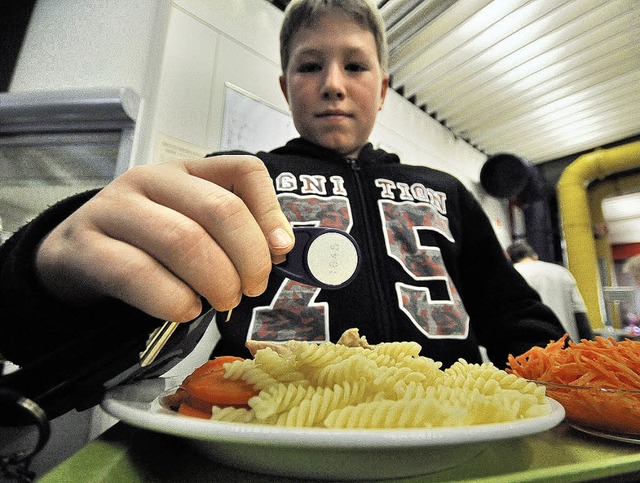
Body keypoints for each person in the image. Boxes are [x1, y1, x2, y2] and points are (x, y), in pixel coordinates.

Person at [0, 0, 564, 419]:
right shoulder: (234, 180)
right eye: (310, 66)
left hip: (448, 435)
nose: (333, 85)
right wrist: (50, 267)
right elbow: (115, 330)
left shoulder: (446, 191)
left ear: (386, 88)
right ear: (285, 85)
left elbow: (522, 325)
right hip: (260, 438)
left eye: (356, 66)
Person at [506, 240, 593, 342]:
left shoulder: (511, 276)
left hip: (529, 348)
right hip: (565, 345)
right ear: (534, 256)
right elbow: (579, 314)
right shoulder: (561, 272)